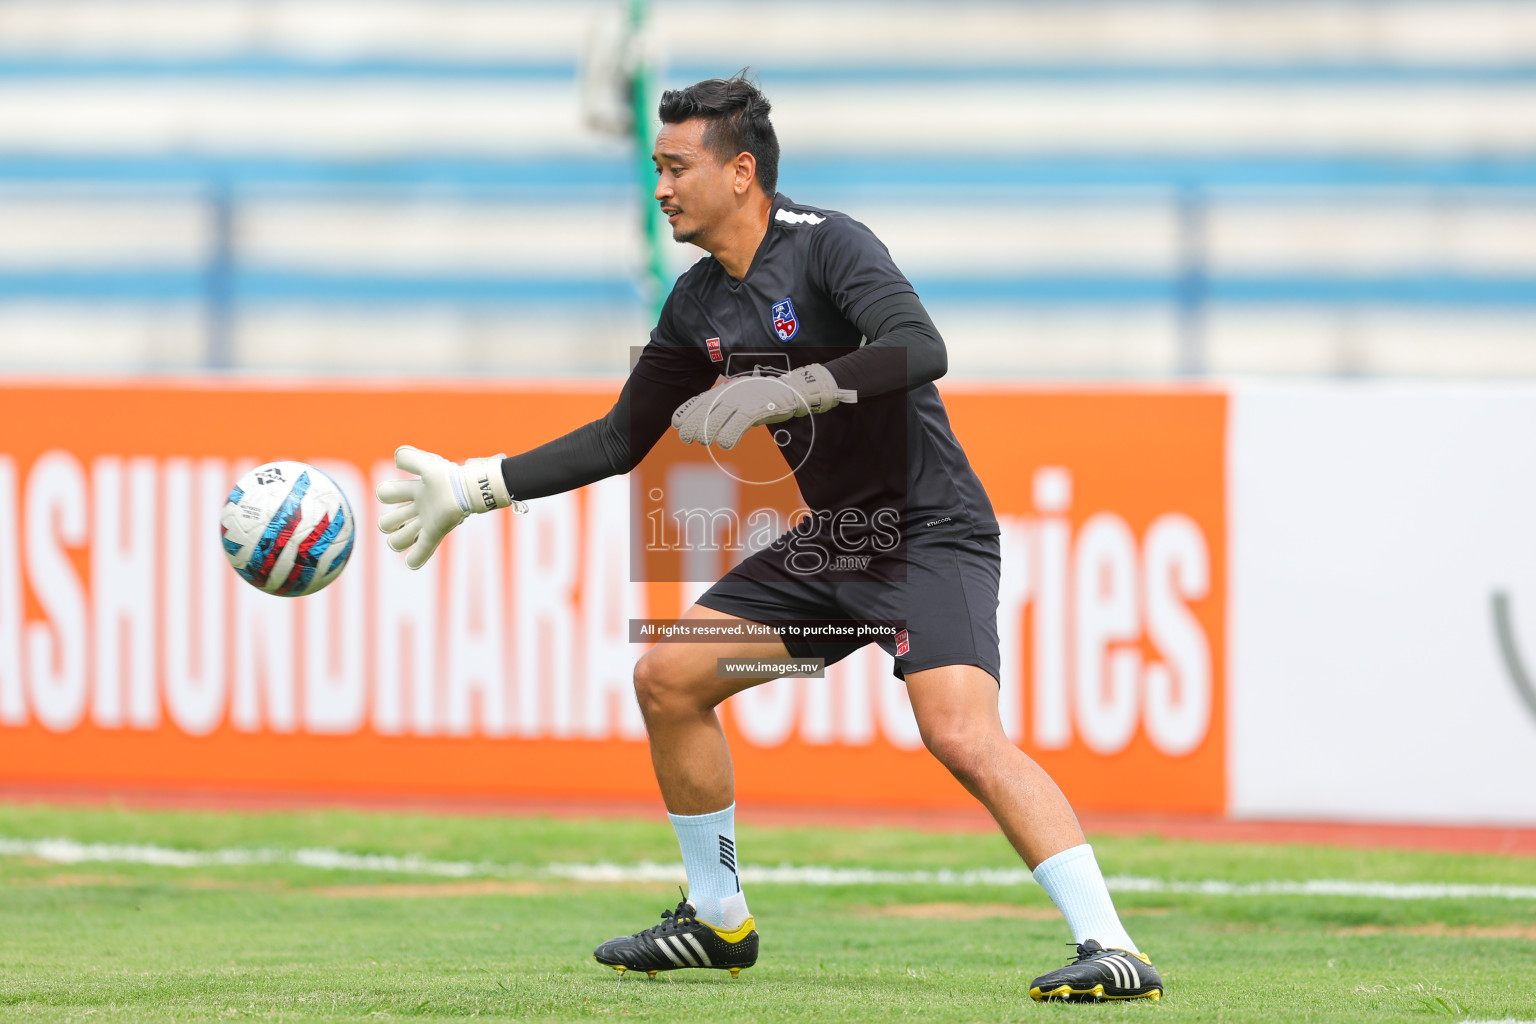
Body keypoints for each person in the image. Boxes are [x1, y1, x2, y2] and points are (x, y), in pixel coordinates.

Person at [376, 74, 1162, 1004]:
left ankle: (1112, 946)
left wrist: (795, 389)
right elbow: (622, 439)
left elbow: (921, 344)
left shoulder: (829, 244)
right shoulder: (698, 301)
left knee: (958, 733)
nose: (660, 187)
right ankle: (717, 919)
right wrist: (477, 486)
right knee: (668, 680)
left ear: (741, 172)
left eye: (677, 166)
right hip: (834, 544)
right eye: (656, 168)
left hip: (926, 533)